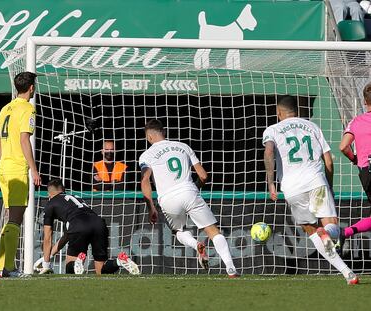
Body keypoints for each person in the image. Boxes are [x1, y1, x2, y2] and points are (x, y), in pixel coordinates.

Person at [263, 96, 358, 285]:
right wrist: (329, 184)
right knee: (331, 226)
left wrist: (271, 183)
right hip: (316, 180)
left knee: (312, 231)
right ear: (296, 111)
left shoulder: (272, 130)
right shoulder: (312, 126)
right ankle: (329, 235)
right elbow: (329, 160)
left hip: (291, 188)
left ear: (278, 112)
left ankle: (348, 273)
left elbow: (269, 152)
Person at [139, 119, 239, 277]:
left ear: (149, 137)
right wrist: (195, 187)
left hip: (168, 198)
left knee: (178, 231)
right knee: (213, 231)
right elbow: (203, 175)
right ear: (163, 132)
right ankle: (230, 268)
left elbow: (145, 180)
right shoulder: (183, 147)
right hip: (189, 191)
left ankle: (196, 244)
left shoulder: (146, 155)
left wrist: (151, 207)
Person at [0, 71, 42, 278]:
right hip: (16, 169)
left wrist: (5, 161)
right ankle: (9, 268)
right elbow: (24, 140)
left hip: (3, 167)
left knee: (8, 219)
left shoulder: (6, 108)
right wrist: (34, 169)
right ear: (31, 87)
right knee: (14, 219)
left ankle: (0, 268)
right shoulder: (28, 108)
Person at [39, 179, 139, 275]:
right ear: (64, 190)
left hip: (78, 224)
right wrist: (49, 255)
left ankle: (76, 263)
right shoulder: (76, 197)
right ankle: (119, 261)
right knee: (101, 270)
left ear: (49, 194)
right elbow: (66, 236)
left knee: (70, 270)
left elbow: (48, 236)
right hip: (98, 223)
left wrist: (46, 264)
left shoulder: (50, 204)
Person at [338, 82, 371, 254]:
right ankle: (346, 232)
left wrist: (355, 159)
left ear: (365, 102)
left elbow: (343, 147)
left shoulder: (356, 121)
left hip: (366, 172)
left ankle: (346, 232)